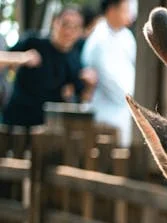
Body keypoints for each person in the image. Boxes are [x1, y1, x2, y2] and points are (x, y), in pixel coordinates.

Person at [1, 7, 97, 127]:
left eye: (75, 27)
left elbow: (83, 99)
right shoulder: (33, 42)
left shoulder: (75, 60)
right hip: (16, 123)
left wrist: (90, 86)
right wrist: (21, 57)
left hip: (47, 128)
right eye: (65, 24)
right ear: (55, 22)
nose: (68, 31)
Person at [82, 0, 136, 147]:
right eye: (125, 10)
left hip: (128, 107)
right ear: (112, 10)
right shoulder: (99, 38)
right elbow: (107, 78)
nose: (130, 15)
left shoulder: (127, 36)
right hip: (107, 111)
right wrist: (132, 100)